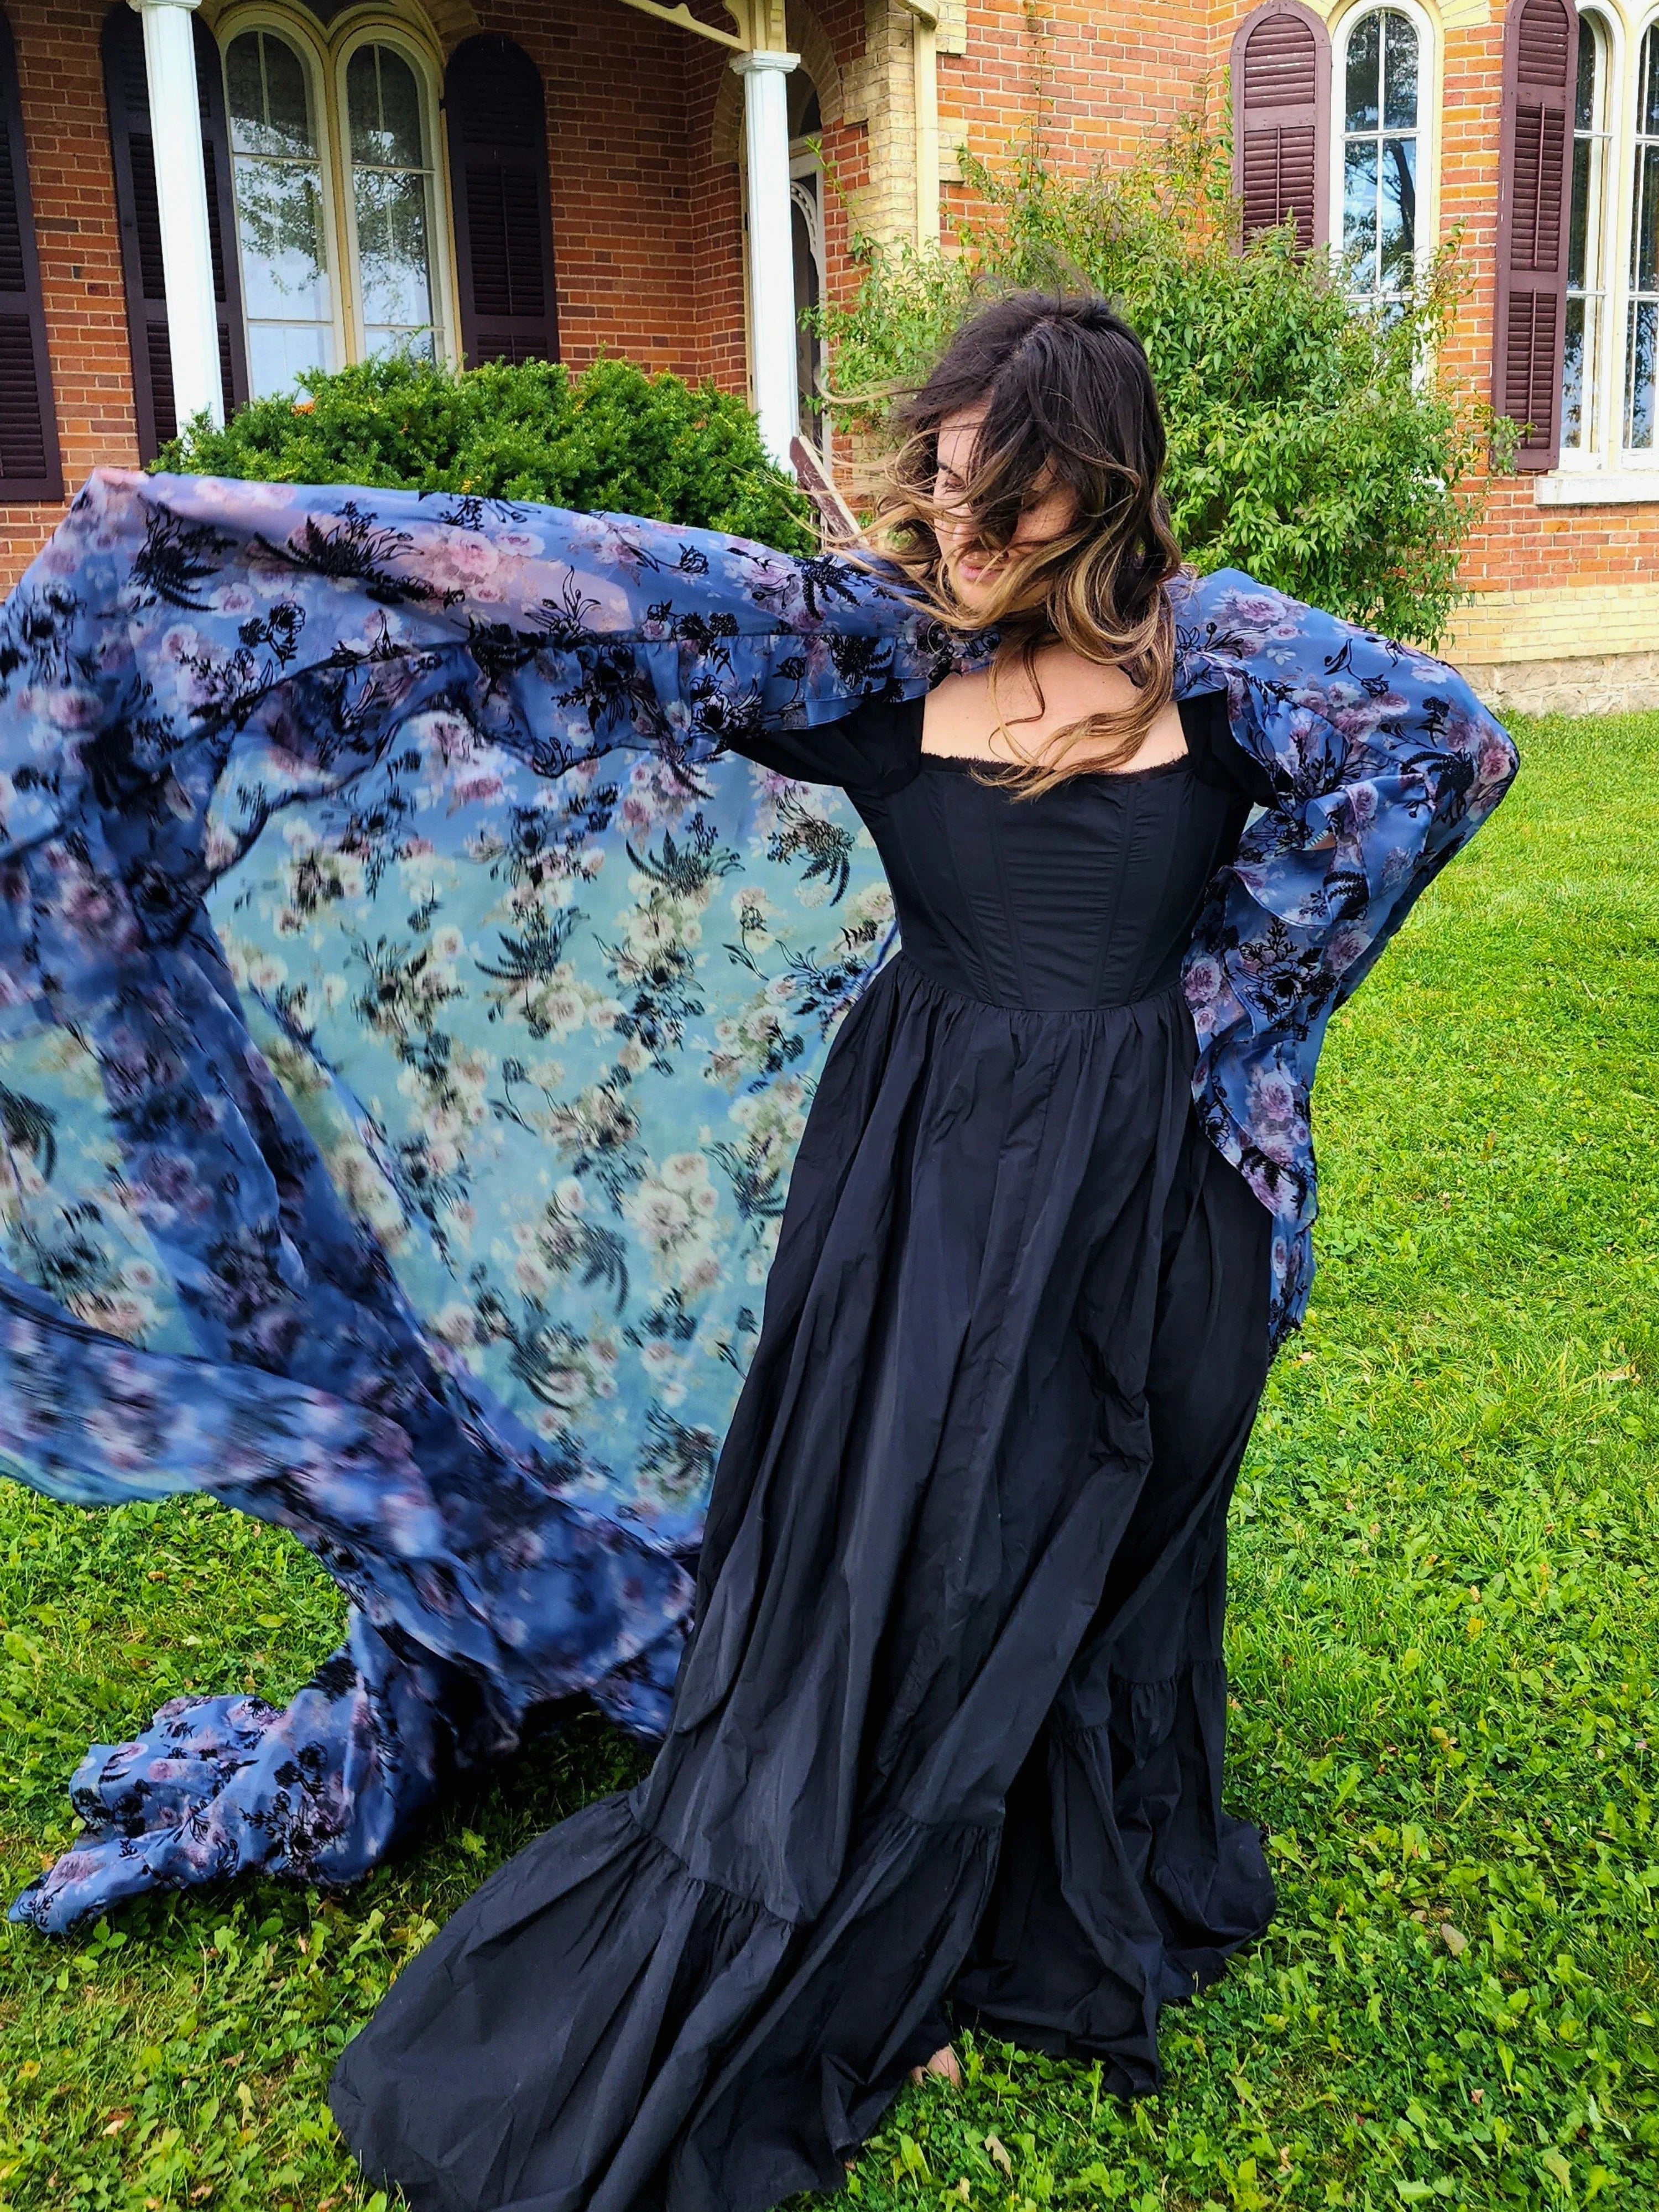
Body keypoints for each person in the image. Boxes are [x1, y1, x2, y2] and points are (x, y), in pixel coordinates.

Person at [323, 295, 1519, 2211]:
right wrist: (282, 551)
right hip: (934, 1181)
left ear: (1104, 494)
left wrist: (1236, 1000)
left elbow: (1454, 746)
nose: (963, 525)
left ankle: (1052, 1876)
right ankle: (876, 1885)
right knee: (916, 1529)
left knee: (1095, 1522)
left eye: (1013, 499)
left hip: (1155, 1184)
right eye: (948, 477)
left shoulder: (1226, 670)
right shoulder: (877, 668)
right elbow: (596, 620)